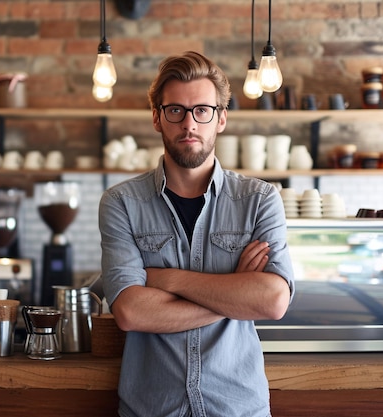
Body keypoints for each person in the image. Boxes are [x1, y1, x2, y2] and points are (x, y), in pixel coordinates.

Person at [98, 51, 296, 417]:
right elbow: (130, 312)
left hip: (238, 408)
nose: (189, 124)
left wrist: (166, 280)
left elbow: (272, 301)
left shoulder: (259, 199)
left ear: (221, 119)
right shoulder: (121, 203)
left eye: (202, 110)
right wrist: (234, 291)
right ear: (157, 118)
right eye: (176, 110)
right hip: (152, 409)